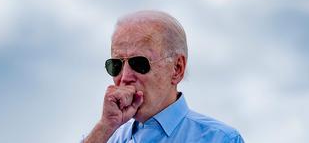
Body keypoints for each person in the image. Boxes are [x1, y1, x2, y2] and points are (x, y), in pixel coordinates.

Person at [83, 10, 245, 142]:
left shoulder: (220, 139)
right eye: (116, 65)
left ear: (177, 68)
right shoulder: (107, 137)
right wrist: (104, 127)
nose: (124, 77)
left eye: (139, 63)